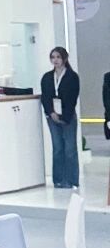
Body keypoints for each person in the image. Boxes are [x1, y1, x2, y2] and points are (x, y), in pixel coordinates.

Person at [41, 47, 81, 188]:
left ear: (64, 58)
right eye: (53, 57)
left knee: (70, 149)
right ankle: (58, 179)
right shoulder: (47, 77)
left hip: (67, 116)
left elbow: (72, 98)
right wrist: (51, 112)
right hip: (52, 117)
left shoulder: (72, 76)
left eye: (58, 57)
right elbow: (45, 97)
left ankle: (72, 180)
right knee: (57, 148)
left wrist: (64, 116)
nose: (55, 60)